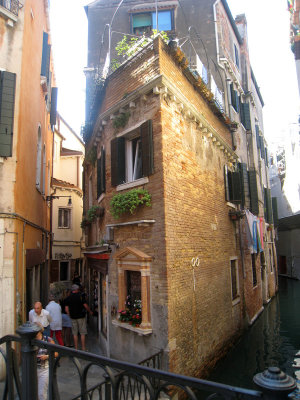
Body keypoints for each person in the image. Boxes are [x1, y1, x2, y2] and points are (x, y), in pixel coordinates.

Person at [65, 284, 93, 351]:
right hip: (81, 316)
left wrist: (70, 315)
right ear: (77, 290)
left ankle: (76, 348)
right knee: (82, 333)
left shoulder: (68, 298)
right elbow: (85, 305)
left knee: (75, 333)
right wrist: (90, 311)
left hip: (73, 317)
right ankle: (83, 348)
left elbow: (66, 309)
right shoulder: (81, 296)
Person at [35, 324, 58, 400]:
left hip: (44, 370)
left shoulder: (48, 340)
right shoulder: (31, 340)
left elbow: (56, 353)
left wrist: (47, 356)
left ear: (40, 331)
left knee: (41, 393)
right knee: (34, 392)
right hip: (33, 369)